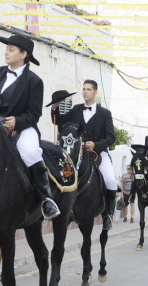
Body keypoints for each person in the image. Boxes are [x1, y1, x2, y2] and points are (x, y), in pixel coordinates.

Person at [0, 34, 60, 220]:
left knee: (30, 151)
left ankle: (45, 199)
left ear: (24, 54)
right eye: (6, 48)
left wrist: (17, 121)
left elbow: (34, 114)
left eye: (11, 49)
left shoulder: (34, 81)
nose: (6, 52)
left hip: (22, 127)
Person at [50, 80, 117, 230]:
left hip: (98, 153)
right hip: (75, 153)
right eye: (84, 89)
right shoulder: (75, 109)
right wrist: (55, 107)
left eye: (88, 89)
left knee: (111, 180)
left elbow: (111, 137)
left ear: (95, 92)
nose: (85, 92)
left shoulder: (105, 114)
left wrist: (95, 144)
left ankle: (108, 215)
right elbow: (59, 122)